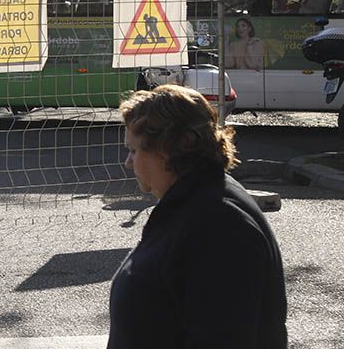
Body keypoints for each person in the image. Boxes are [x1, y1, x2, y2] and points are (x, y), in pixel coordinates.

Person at [108, 85, 286, 348]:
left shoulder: (221, 226)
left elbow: (222, 336)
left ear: (170, 149)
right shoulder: (192, 201)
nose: (128, 162)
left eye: (134, 151)